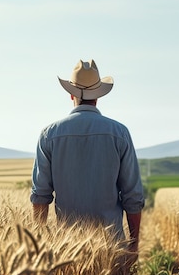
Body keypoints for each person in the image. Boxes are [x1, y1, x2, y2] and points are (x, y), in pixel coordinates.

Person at [30, 58, 145, 261]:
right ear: (98, 96)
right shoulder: (119, 132)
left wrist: (39, 245)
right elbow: (132, 196)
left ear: (71, 94)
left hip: (66, 250)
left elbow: (40, 196)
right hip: (111, 247)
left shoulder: (49, 134)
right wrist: (133, 245)